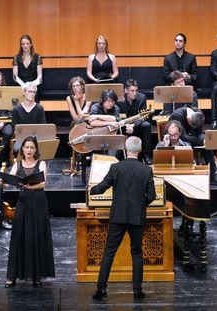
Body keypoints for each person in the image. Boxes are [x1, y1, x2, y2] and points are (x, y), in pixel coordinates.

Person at [90, 136, 156, 300]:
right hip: (137, 217)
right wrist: (141, 205)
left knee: (109, 252)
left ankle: (101, 289)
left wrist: (90, 191)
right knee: (137, 253)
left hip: (118, 216)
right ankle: (137, 290)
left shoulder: (116, 168)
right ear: (139, 150)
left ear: (126, 150)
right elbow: (152, 195)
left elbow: (102, 187)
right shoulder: (146, 170)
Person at [3, 136, 55, 288]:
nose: (29, 150)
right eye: (27, 147)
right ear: (22, 149)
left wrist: (29, 187)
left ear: (36, 150)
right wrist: (4, 182)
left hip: (38, 202)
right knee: (19, 237)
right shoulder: (17, 164)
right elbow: (10, 180)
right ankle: (12, 276)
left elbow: (43, 183)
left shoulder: (41, 163)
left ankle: (36, 276)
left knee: (36, 237)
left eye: (32, 148)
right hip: (23, 202)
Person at [117, 79, 152, 163]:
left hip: (136, 125)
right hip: (123, 125)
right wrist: (126, 125)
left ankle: (147, 155)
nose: (135, 93)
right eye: (132, 91)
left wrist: (133, 125)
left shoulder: (142, 97)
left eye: (136, 90)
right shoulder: (119, 99)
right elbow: (117, 116)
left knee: (146, 125)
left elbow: (143, 115)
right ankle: (118, 155)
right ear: (126, 90)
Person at [12, 83, 46, 155]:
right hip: (22, 139)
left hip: (36, 138)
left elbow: (43, 126)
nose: (32, 94)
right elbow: (15, 128)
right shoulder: (16, 109)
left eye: (34, 92)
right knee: (16, 149)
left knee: (43, 149)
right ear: (24, 92)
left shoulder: (39, 108)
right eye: (30, 91)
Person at [12, 35, 42, 101]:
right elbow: (15, 77)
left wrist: (31, 85)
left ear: (30, 44)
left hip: (33, 86)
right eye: (23, 44)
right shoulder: (16, 58)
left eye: (27, 43)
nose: (25, 45)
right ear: (21, 45)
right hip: (21, 86)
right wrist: (24, 85)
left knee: (32, 92)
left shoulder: (37, 57)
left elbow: (40, 78)